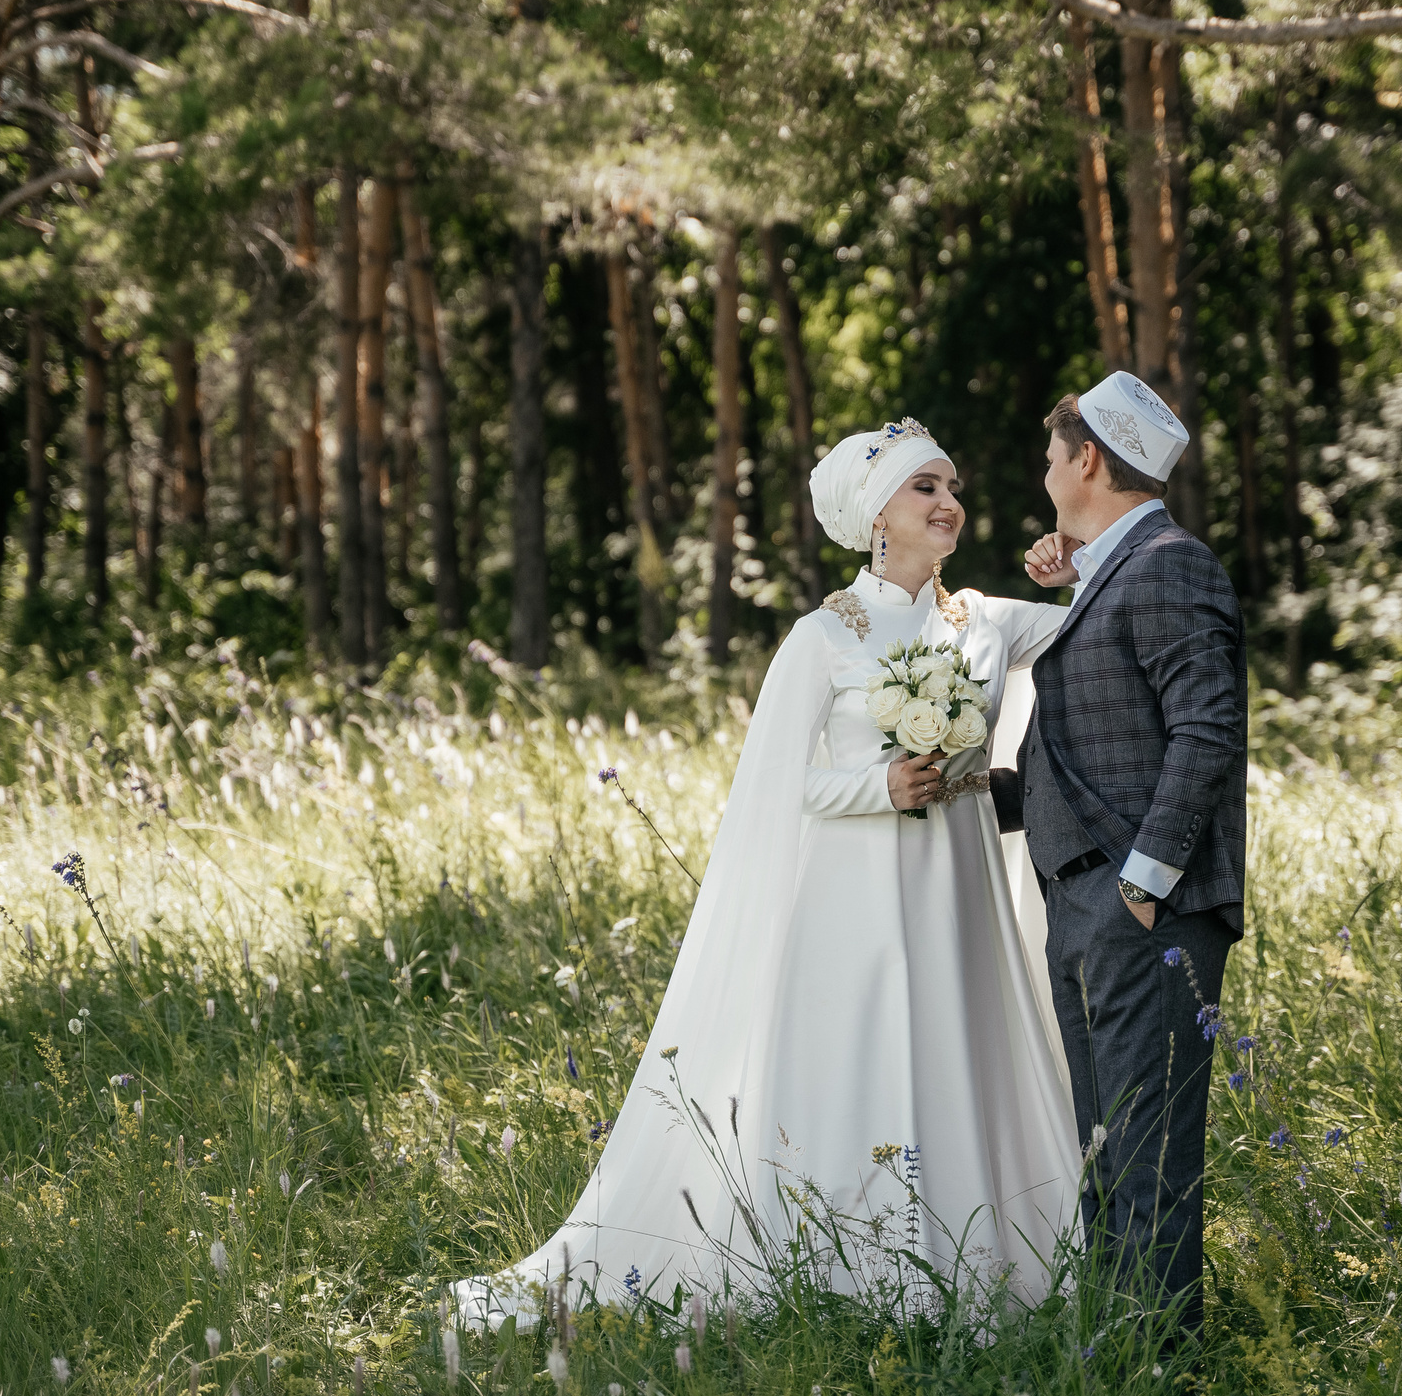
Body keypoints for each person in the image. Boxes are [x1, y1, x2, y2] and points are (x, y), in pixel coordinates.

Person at [455, 419, 1078, 1328]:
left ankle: (977, 1257)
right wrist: (877, 784)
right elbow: (779, 784)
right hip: (857, 895)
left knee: (957, 1038)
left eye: (951, 487)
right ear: (877, 517)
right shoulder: (823, 638)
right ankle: (849, 1265)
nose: (952, 504)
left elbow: (1089, 627)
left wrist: (1075, 566)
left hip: (958, 887)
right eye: (927, 489)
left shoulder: (985, 619)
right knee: (865, 1052)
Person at [1011, 372, 1247, 1346]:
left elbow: (1207, 728)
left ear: (1088, 461)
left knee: (1149, 1163)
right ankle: (1120, 1364)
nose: (1044, 472)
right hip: (1085, 907)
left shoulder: (1165, 564)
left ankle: (1166, 1380)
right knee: (1107, 1158)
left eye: (1051, 455)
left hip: (1142, 906)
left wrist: (1143, 886)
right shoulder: (1112, 564)